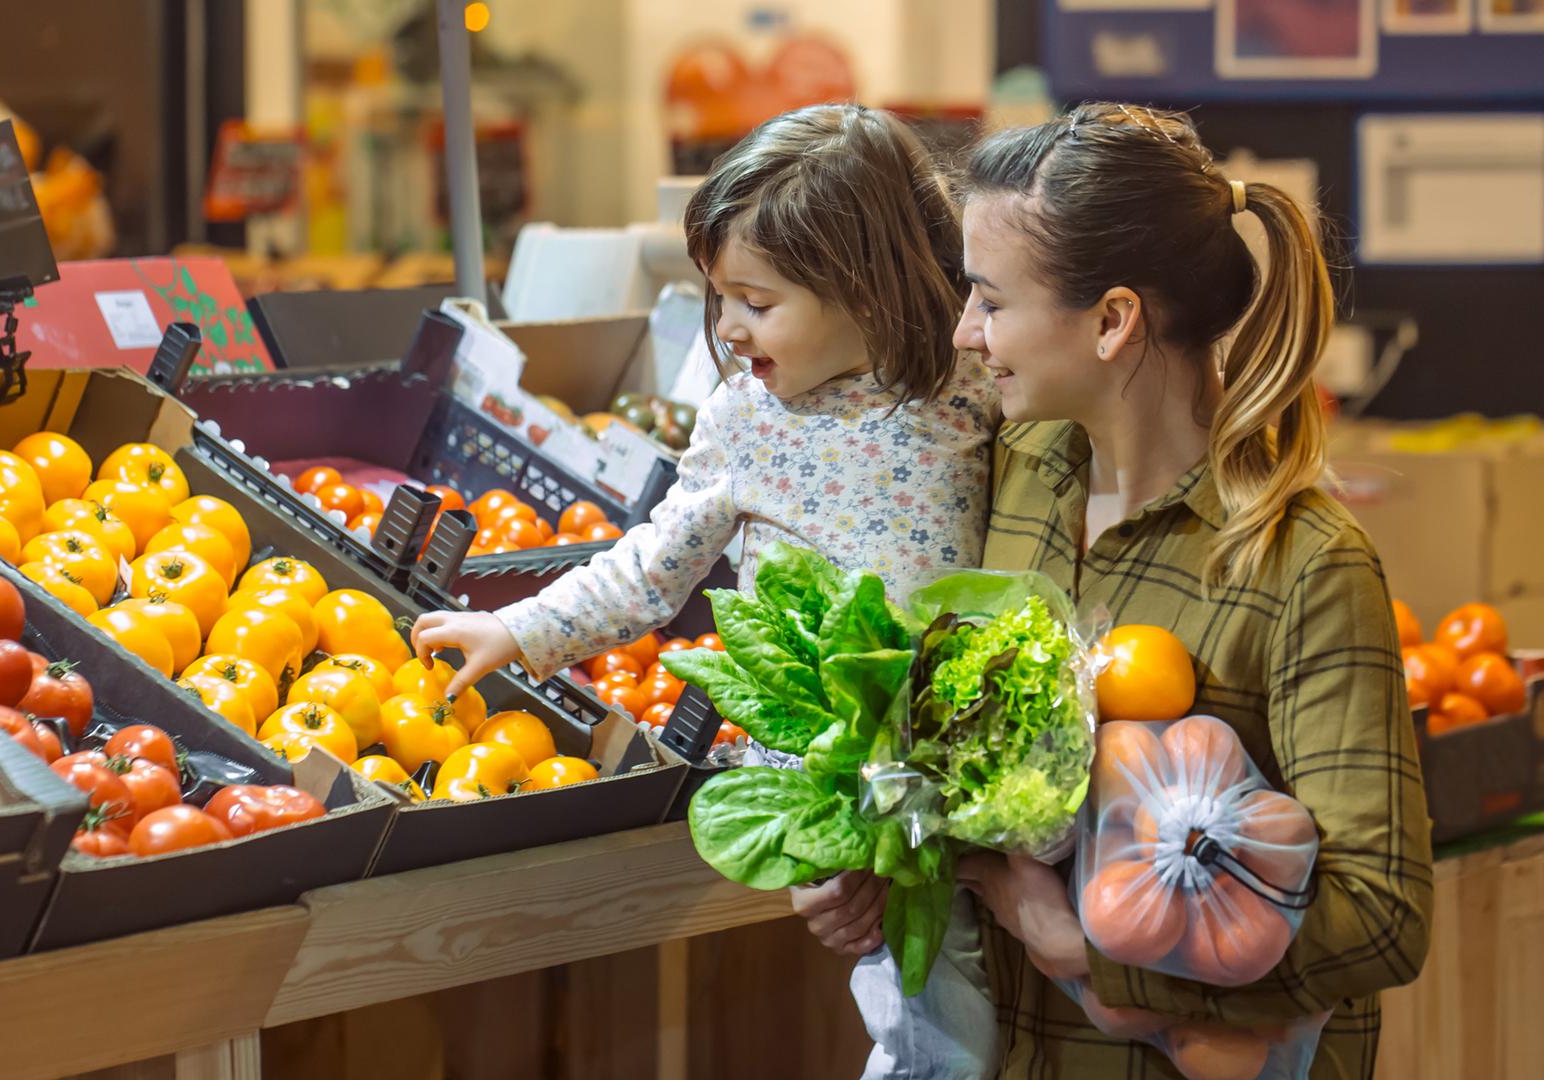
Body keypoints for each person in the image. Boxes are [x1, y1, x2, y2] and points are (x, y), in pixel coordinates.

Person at [409, 103, 1002, 1078]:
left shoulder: (965, 386)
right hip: (824, 772)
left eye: (755, 303)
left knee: (962, 1002)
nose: (725, 327)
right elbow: (650, 567)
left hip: (951, 762)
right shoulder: (743, 421)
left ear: (865, 286)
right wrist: (516, 628)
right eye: (718, 296)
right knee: (926, 1016)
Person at [941, 102, 1434, 1077]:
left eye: (992, 302)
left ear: (1115, 319)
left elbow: (1382, 916)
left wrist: (1104, 958)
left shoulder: (1301, 564)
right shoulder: (1021, 471)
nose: (965, 333)